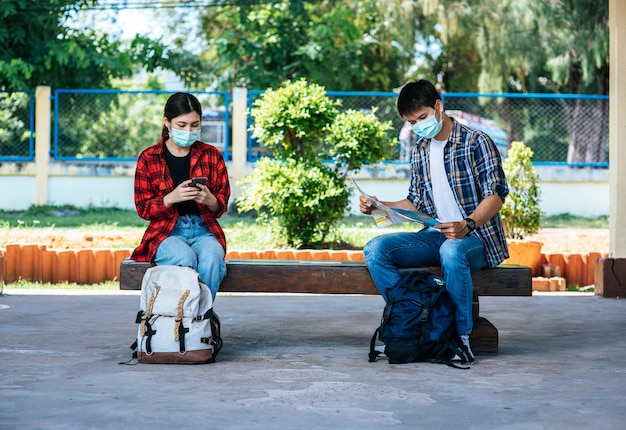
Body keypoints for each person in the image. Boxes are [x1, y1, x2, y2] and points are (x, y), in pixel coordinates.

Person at [360, 79, 509, 363]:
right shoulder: (420, 150)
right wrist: (379, 206)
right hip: (436, 234)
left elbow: (497, 194)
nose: (418, 125)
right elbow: (415, 202)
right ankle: (418, 322)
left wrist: (467, 223)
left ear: (438, 107)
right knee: (376, 250)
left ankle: (460, 339)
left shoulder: (475, 142)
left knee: (452, 250)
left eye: (422, 117)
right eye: (412, 122)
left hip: (476, 238)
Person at [131, 92, 230, 299]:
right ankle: (186, 319)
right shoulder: (149, 158)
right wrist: (171, 198)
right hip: (166, 232)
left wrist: (211, 200)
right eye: (182, 125)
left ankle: (201, 317)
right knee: (184, 258)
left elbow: (221, 205)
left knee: (212, 258)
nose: (189, 130)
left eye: (195, 125)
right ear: (167, 122)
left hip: (204, 229)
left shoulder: (211, 155)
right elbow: (143, 208)